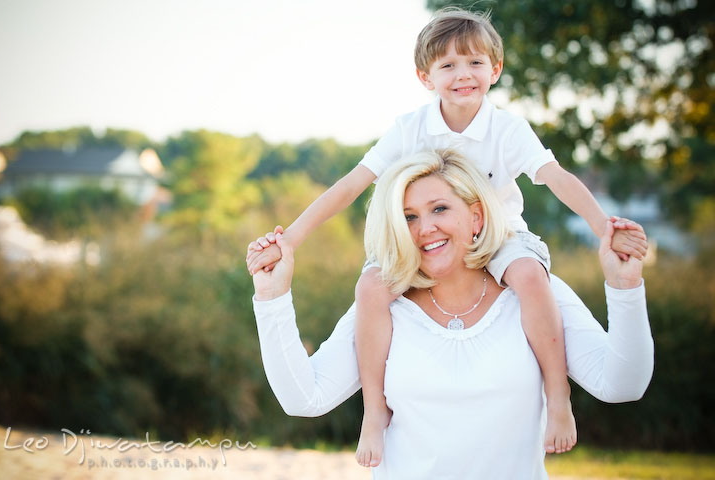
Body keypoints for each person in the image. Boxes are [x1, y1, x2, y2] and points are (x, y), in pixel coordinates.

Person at [246, 7, 648, 465]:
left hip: (503, 236)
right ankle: (374, 412)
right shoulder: (409, 128)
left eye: (476, 63)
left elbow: (556, 177)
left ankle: (558, 398)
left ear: (496, 69)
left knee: (531, 277)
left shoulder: (508, 128)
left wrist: (605, 230)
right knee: (372, 285)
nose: (464, 75)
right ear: (425, 76)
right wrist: (291, 239)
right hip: (407, 253)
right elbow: (352, 185)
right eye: (448, 66)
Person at [251, 150, 654, 479]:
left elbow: (623, 385)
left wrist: (625, 288)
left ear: (476, 216)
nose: (424, 228)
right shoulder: (381, 305)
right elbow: (304, 399)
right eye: (408, 216)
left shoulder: (534, 293)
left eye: (439, 208)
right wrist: (272, 297)